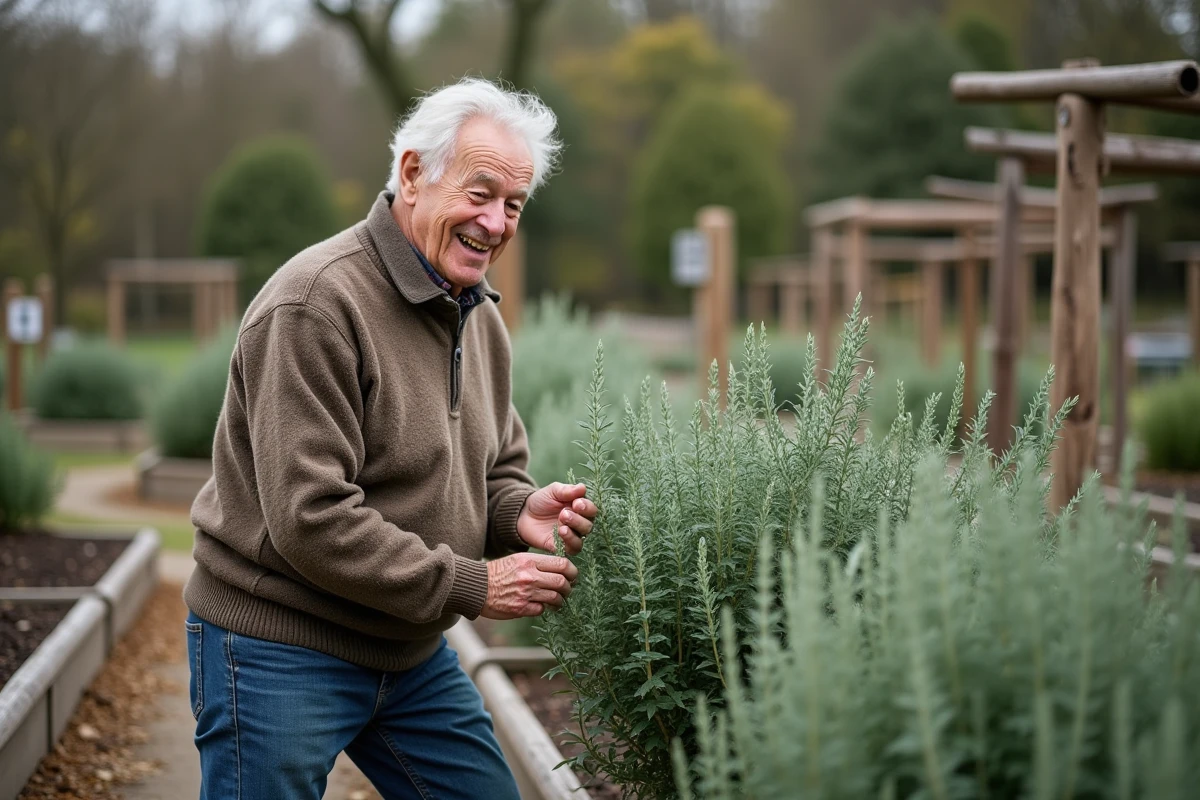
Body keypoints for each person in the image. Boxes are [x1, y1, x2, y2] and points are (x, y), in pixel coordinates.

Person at [182, 78, 596, 800]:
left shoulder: (477, 315)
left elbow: (496, 466)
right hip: (278, 643)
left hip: (407, 651)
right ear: (412, 174)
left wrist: (516, 513)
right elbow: (311, 519)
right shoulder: (315, 304)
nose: (496, 222)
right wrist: (475, 583)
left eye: (513, 205)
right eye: (480, 193)